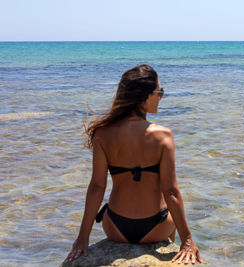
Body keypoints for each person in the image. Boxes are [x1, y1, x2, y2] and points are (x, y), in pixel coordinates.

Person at [66, 64, 202, 264]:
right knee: (170, 218)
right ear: (146, 96)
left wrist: (82, 239)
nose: (161, 97)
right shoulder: (163, 136)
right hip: (157, 228)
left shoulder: (102, 135)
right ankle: (172, 246)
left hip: (115, 228)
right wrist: (188, 240)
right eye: (160, 92)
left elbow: (96, 187)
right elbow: (171, 192)